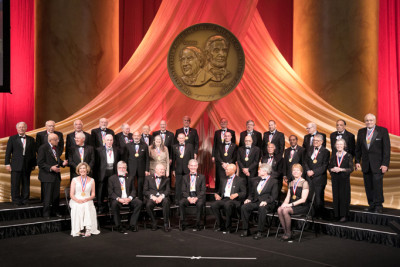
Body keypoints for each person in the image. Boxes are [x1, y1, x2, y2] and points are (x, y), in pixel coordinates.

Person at [355, 113, 390, 213]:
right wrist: (357, 161)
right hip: (366, 164)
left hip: (378, 165)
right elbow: (358, 148)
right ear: (364, 121)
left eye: (371, 120)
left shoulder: (382, 131)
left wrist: (385, 164)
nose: (369, 122)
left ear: (375, 121)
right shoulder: (361, 131)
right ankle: (371, 204)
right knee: (368, 185)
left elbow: (386, 149)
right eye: (367, 120)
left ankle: (378, 205)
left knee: (377, 185)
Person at [240, 164, 278, 240]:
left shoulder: (274, 181)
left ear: (265, 171)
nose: (258, 171)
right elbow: (252, 193)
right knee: (244, 207)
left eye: (260, 169)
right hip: (256, 201)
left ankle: (260, 232)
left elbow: (274, 196)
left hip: (268, 203)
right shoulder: (255, 180)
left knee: (262, 208)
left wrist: (266, 201)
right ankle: (246, 230)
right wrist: (249, 199)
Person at [5, 122, 36, 206]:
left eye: (23, 127)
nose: (21, 128)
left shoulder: (31, 139)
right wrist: (7, 163)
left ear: (26, 128)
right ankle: (16, 201)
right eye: (20, 127)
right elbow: (8, 152)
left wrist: (34, 164)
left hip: (27, 165)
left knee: (26, 183)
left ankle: (25, 200)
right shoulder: (12, 138)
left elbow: (33, 153)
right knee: (15, 184)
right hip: (15, 165)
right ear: (17, 129)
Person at [37, 133, 68, 219]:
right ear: (51, 140)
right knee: (47, 196)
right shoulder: (43, 148)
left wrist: (62, 163)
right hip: (47, 176)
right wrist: (51, 168)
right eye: (56, 139)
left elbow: (57, 160)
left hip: (56, 176)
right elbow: (40, 163)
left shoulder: (56, 148)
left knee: (55, 196)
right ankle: (46, 214)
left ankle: (55, 212)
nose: (58, 141)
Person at [277, 164, 310, 241]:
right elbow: (288, 197)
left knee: (285, 210)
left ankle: (288, 233)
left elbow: (303, 199)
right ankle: (286, 232)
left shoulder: (304, 182)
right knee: (279, 209)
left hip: (302, 206)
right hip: (291, 205)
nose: (295, 172)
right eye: (294, 170)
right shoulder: (291, 183)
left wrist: (289, 205)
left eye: (297, 170)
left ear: (301, 172)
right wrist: (284, 204)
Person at [108, 161, 143, 233]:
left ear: (126, 169)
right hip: (118, 199)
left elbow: (133, 190)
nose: (122, 169)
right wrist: (119, 199)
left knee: (139, 202)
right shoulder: (111, 178)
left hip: (128, 198)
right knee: (114, 204)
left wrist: (129, 198)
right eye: (120, 167)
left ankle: (132, 224)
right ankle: (118, 226)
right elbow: (110, 192)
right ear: (117, 168)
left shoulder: (130, 177)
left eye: (124, 168)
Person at [211, 164, 246, 234]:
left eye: (227, 169)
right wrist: (217, 195)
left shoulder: (240, 180)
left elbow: (244, 193)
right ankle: (221, 225)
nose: (225, 171)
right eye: (225, 169)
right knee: (214, 205)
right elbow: (219, 191)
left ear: (233, 170)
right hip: (224, 199)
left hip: (234, 200)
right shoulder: (223, 179)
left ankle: (228, 227)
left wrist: (237, 194)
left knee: (227, 205)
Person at [69, 162, 99, 237]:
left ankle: (88, 229)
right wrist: (78, 200)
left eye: (84, 168)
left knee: (87, 205)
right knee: (79, 206)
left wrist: (88, 198)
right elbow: (71, 195)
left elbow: (93, 194)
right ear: (78, 170)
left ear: (87, 169)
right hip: (76, 199)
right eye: (80, 168)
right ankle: (78, 230)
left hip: (87, 199)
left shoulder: (92, 180)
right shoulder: (74, 180)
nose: (82, 170)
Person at [304, 134, 330, 218]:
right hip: (309, 177)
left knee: (318, 198)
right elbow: (305, 162)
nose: (315, 142)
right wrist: (308, 171)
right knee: (309, 196)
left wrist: (314, 172)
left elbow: (324, 166)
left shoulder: (326, 152)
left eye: (317, 141)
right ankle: (310, 214)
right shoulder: (309, 149)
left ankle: (319, 215)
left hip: (319, 178)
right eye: (314, 140)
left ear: (322, 142)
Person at [96, 134, 122, 214]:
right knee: (101, 190)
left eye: (111, 140)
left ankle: (112, 206)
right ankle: (100, 206)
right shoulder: (98, 150)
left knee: (112, 188)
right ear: (104, 140)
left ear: (113, 141)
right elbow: (97, 163)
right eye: (108, 140)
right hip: (103, 172)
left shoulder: (116, 149)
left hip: (113, 172)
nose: (109, 141)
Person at [329, 139, 353, 222]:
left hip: (344, 179)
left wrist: (341, 169)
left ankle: (344, 215)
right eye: (338, 144)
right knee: (336, 196)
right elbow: (329, 167)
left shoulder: (348, 156)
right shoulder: (333, 156)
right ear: (335, 146)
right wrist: (332, 169)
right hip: (335, 179)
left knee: (344, 197)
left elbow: (351, 169)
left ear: (344, 146)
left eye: (341, 144)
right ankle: (337, 214)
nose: (339, 146)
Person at [179, 159, 206, 231]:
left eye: (194, 166)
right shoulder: (184, 177)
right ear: (188, 166)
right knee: (181, 203)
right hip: (188, 196)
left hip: (198, 196)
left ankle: (198, 223)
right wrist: (189, 198)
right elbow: (183, 191)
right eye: (191, 165)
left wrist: (196, 198)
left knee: (200, 204)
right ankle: (183, 223)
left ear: (197, 166)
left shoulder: (202, 177)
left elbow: (203, 190)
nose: (193, 167)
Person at [144, 164, 171, 232]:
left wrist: (161, 196)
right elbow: (145, 191)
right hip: (152, 197)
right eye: (161, 169)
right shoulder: (148, 178)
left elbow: (168, 190)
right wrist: (152, 197)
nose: (162, 171)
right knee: (148, 205)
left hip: (162, 197)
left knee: (166, 202)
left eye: (163, 169)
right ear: (155, 170)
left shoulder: (166, 179)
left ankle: (165, 223)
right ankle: (154, 221)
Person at [212, 118, 236, 190]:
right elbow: (214, 145)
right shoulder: (217, 132)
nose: (223, 123)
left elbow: (234, 147)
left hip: (230, 158)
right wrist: (213, 155)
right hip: (220, 158)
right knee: (219, 176)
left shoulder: (232, 132)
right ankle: (219, 191)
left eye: (224, 122)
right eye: (221, 122)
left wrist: (229, 163)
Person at [125, 131, 150, 200]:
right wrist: (125, 169)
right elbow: (125, 158)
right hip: (131, 169)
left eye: (138, 135)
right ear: (132, 136)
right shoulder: (128, 145)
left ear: (140, 137)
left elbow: (147, 159)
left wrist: (147, 169)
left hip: (141, 169)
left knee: (140, 186)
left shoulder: (145, 145)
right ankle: (130, 201)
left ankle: (141, 201)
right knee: (130, 186)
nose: (136, 137)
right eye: (135, 135)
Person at [172, 133, 195, 204]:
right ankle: (177, 200)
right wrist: (173, 169)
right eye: (180, 138)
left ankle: (187, 200)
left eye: (182, 138)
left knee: (187, 185)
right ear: (177, 139)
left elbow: (192, 158)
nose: (181, 139)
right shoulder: (174, 147)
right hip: (178, 169)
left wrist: (192, 169)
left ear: (185, 138)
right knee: (178, 186)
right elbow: (173, 159)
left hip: (187, 169)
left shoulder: (190, 146)